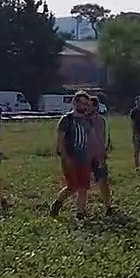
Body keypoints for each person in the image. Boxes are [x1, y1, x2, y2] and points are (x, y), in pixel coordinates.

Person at [50, 91, 94, 219]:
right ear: (75, 103)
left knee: (84, 187)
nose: (84, 106)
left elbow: (90, 138)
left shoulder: (87, 120)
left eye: (86, 104)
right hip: (70, 158)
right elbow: (60, 140)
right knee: (72, 186)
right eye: (81, 103)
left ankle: (80, 213)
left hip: (84, 158)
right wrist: (65, 156)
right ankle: (57, 204)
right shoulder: (66, 119)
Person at [89, 96, 114, 215]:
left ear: (95, 106)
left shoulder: (101, 120)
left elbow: (105, 138)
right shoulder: (82, 120)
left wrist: (104, 153)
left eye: (89, 105)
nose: (87, 108)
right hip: (84, 155)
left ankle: (108, 206)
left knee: (103, 181)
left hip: (98, 156)